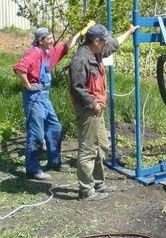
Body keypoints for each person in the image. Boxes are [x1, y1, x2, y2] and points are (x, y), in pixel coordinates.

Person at [69, 23, 139, 201]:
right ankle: (85, 190)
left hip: (96, 109)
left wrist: (129, 31)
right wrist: (93, 104)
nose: (105, 44)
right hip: (88, 110)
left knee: (101, 146)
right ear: (96, 41)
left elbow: (114, 44)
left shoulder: (96, 52)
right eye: (103, 41)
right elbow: (77, 87)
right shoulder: (81, 59)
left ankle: (98, 182)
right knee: (88, 149)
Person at [13, 27, 82, 180]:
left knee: (55, 127)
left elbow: (65, 46)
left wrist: (80, 33)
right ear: (40, 40)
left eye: (52, 38)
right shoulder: (34, 53)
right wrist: (28, 86)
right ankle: (33, 169)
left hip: (45, 97)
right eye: (49, 38)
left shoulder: (48, 53)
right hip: (34, 98)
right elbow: (20, 69)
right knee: (36, 133)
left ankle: (54, 161)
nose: (52, 40)